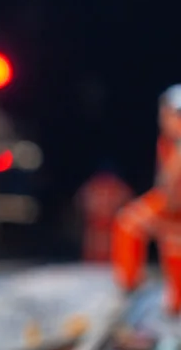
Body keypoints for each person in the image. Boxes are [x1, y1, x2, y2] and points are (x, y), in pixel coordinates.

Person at [112, 85, 181, 313]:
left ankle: (174, 303)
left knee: (169, 242)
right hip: (170, 206)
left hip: (174, 206)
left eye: (169, 113)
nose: (164, 118)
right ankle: (130, 284)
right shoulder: (167, 142)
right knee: (132, 224)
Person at [75, 168, 133, 263]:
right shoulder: (90, 187)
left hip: (114, 225)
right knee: (94, 237)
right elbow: (80, 200)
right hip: (94, 225)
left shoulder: (120, 187)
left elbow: (128, 201)